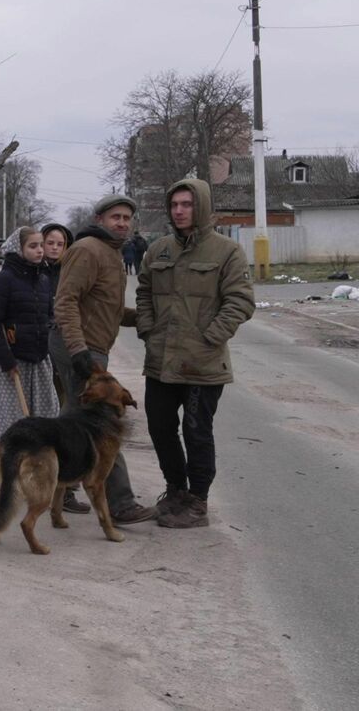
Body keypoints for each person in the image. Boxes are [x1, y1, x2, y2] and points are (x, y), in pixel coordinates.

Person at [136, 178, 255, 528]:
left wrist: (210, 337)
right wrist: (147, 328)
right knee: (160, 427)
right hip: (161, 360)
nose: (179, 211)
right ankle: (175, 491)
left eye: (186, 204)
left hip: (202, 363)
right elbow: (144, 292)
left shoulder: (226, 251)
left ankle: (197, 501)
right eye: (174, 205)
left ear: (200, 207)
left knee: (196, 430)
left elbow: (240, 301)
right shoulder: (158, 250)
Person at [54, 194, 157, 524]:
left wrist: (146, 319)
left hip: (91, 345)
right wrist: (78, 351)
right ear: (100, 219)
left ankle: (60, 487)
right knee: (105, 422)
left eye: (127, 218)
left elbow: (107, 310)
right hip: (81, 347)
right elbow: (66, 301)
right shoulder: (87, 250)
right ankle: (120, 503)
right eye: (116, 217)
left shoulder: (111, 253)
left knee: (73, 421)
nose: (123, 223)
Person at [0, 227, 62, 441]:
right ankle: (11, 470)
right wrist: (6, 361)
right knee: (13, 429)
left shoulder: (43, 279)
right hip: (11, 364)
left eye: (40, 245)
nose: (39, 251)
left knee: (47, 422)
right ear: (19, 248)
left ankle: (39, 468)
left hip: (39, 361)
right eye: (33, 246)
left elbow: (48, 318)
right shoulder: (3, 280)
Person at [40, 221, 89, 514]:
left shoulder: (71, 273)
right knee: (47, 417)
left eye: (60, 244)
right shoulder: (34, 270)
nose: (55, 248)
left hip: (67, 355)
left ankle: (67, 490)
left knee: (67, 417)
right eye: (50, 243)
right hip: (40, 356)